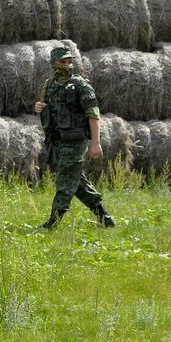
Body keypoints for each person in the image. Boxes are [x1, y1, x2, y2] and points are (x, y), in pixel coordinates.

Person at [34, 45, 116, 230]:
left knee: (64, 182)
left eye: (70, 61)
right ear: (53, 63)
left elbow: (93, 114)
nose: (68, 65)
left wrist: (95, 142)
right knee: (76, 181)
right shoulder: (49, 86)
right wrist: (39, 107)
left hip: (75, 141)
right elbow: (49, 109)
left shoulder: (81, 86)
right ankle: (104, 217)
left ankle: (52, 224)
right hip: (58, 141)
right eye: (63, 62)